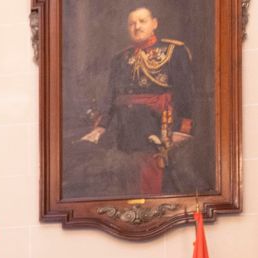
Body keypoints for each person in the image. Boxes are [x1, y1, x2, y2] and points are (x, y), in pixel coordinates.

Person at [79, 6, 195, 195]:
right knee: (127, 182)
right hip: (124, 131)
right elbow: (111, 97)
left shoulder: (174, 51)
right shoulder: (120, 59)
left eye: (142, 21)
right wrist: (101, 127)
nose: (137, 27)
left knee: (155, 180)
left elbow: (185, 94)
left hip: (158, 127)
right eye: (132, 23)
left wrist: (182, 130)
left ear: (154, 24)